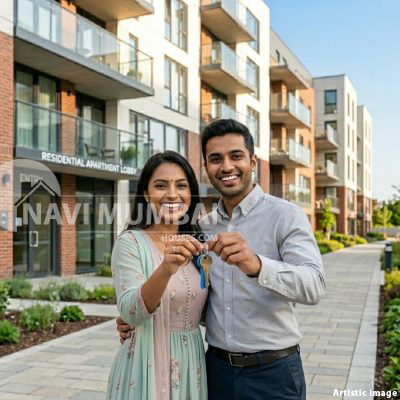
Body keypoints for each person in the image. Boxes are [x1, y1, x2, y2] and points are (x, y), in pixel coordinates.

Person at [118, 119, 325, 400]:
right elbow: (199, 297)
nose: (226, 166)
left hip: (273, 373)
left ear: (253, 161)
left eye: (236, 156)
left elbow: (314, 286)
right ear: (206, 168)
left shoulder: (285, 215)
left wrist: (257, 265)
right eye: (216, 159)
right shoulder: (202, 228)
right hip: (214, 372)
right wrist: (139, 317)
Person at [107, 151, 208, 400]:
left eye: (181, 185)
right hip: (144, 363)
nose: (172, 194)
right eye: (161, 185)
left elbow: (204, 312)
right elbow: (131, 311)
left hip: (192, 364)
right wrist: (165, 268)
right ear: (145, 193)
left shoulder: (199, 243)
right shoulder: (130, 243)